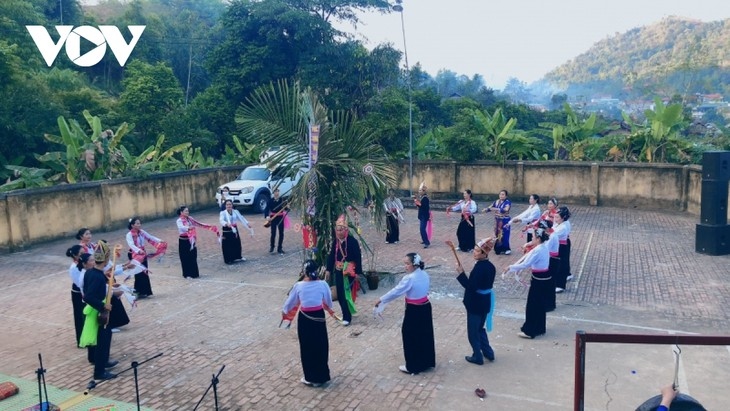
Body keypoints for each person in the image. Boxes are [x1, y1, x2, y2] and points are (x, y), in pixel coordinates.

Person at [375, 252, 435, 374]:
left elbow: (396, 291)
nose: (405, 266)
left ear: (414, 265)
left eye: (407, 264)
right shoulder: (424, 274)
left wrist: (381, 299)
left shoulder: (409, 278)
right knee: (425, 334)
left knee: (409, 335)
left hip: (414, 310)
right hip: (426, 307)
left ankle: (412, 365)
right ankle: (427, 361)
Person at [282, 260, 333, 387]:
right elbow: (329, 302)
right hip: (319, 317)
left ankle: (310, 377)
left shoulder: (298, 286)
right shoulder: (323, 285)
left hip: (305, 319)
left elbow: (289, 304)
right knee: (321, 345)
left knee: (307, 347)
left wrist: (284, 312)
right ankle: (321, 376)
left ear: (304, 272)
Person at [79, 244, 118, 381]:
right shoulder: (97, 276)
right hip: (98, 312)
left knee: (104, 337)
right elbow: (88, 296)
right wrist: (103, 306)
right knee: (103, 340)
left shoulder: (91, 272)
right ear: (106, 260)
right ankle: (99, 372)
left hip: (97, 310)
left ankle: (103, 361)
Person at [455, 237, 497, 365]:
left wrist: (461, 274)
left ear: (484, 253)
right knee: (480, 328)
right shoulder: (490, 266)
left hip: (475, 304)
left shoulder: (480, 268)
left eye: (477, 251)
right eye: (474, 249)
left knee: (473, 332)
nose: (474, 252)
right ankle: (488, 352)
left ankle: (477, 356)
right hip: (485, 302)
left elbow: (471, 287)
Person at [504, 227, 551, 339]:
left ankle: (530, 330)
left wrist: (510, 267)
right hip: (543, 278)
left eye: (534, 237)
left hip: (538, 280)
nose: (532, 239)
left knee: (532, 305)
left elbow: (525, 264)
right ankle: (539, 327)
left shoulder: (537, 250)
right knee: (540, 304)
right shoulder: (544, 246)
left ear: (538, 238)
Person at [325, 214, 363, 326]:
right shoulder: (335, 242)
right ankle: (346, 314)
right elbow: (332, 256)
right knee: (340, 294)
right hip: (338, 271)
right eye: (337, 230)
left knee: (346, 294)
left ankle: (347, 316)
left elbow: (358, 257)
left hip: (349, 272)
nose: (339, 232)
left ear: (345, 230)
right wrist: (328, 269)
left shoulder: (352, 242)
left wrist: (358, 273)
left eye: (341, 230)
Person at [126, 216, 164, 298]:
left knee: (144, 272)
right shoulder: (129, 235)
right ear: (132, 225)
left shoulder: (141, 232)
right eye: (137, 223)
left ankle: (145, 291)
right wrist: (138, 251)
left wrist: (160, 241)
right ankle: (136, 293)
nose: (139, 225)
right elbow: (131, 245)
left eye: (139, 223)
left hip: (143, 254)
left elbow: (150, 237)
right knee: (138, 273)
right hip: (134, 254)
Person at [176, 205, 218, 278]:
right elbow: (181, 228)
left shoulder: (190, 219)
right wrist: (188, 228)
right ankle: (187, 274)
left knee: (193, 256)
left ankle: (194, 273)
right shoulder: (179, 220)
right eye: (185, 211)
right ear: (181, 212)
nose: (187, 212)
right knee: (185, 257)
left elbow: (198, 224)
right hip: (184, 241)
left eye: (188, 211)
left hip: (191, 240)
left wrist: (208, 226)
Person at [219, 199, 254, 264]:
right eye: (227, 204)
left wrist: (247, 223)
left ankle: (238, 256)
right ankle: (228, 259)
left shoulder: (235, 211)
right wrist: (226, 224)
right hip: (227, 229)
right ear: (225, 206)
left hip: (234, 229)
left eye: (230, 204)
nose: (229, 206)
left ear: (232, 205)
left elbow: (241, 218)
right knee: (227, 245)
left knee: (236, 242)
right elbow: (221, 220)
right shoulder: (223, 213)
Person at [66, 245, 86, 347]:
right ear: (75, 255)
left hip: (84, 291)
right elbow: (79, 283)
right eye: (81, 254)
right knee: (80, 317)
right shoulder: (74, 267)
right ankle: (81, 340)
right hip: (78, 293)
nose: (83, 256)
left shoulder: (82, 264)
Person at [485, 190, 512, 255]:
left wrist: (496, 209)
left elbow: (505, 210)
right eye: (500, 194)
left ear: (506, 196)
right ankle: (498, 248)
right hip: (497, 220)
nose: (501, 196)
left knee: (505, 234)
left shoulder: (508, 202)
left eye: (503, 195)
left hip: (505, 220)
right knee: (497, 234)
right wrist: (487, 209)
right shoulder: (497, 201)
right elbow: (491, 207)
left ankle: (506, 248)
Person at [553, 206, 572, 293]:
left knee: (562, 265)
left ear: (563, 217)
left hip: (562, 246)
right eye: (555, 216)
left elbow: (552, 234)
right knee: (558, 264)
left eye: (557, 217)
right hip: (558, 245)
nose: (555, 219)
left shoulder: (563, 226)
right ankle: (557, 282)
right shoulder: (559, 223)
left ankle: (561, 285)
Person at [264, 188, 289, 254]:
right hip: (273, 218)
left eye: (277, 191)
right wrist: (267, 216)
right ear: (273, 192)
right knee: (273, 233)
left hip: (280, 217)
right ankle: (272, 246)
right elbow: (266, 209)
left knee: (281, 233)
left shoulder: (282, 200)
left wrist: (288, 207)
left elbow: (286, 208)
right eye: (275, 191)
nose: (276, 193)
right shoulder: (270, 201)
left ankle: (280, 248)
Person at [414, 182, 431, 248]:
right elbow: (419, 206)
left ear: (424, 191)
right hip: (422, 215)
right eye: (419, 190)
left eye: (420, 190)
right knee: (421, 229)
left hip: (424, 216)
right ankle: (424, 240)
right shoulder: (422, 197)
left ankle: (427, 242)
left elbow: (424, 206)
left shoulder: (425, 198)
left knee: (422, 229)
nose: (419, 191)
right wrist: (417, 202)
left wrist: (417, 203)